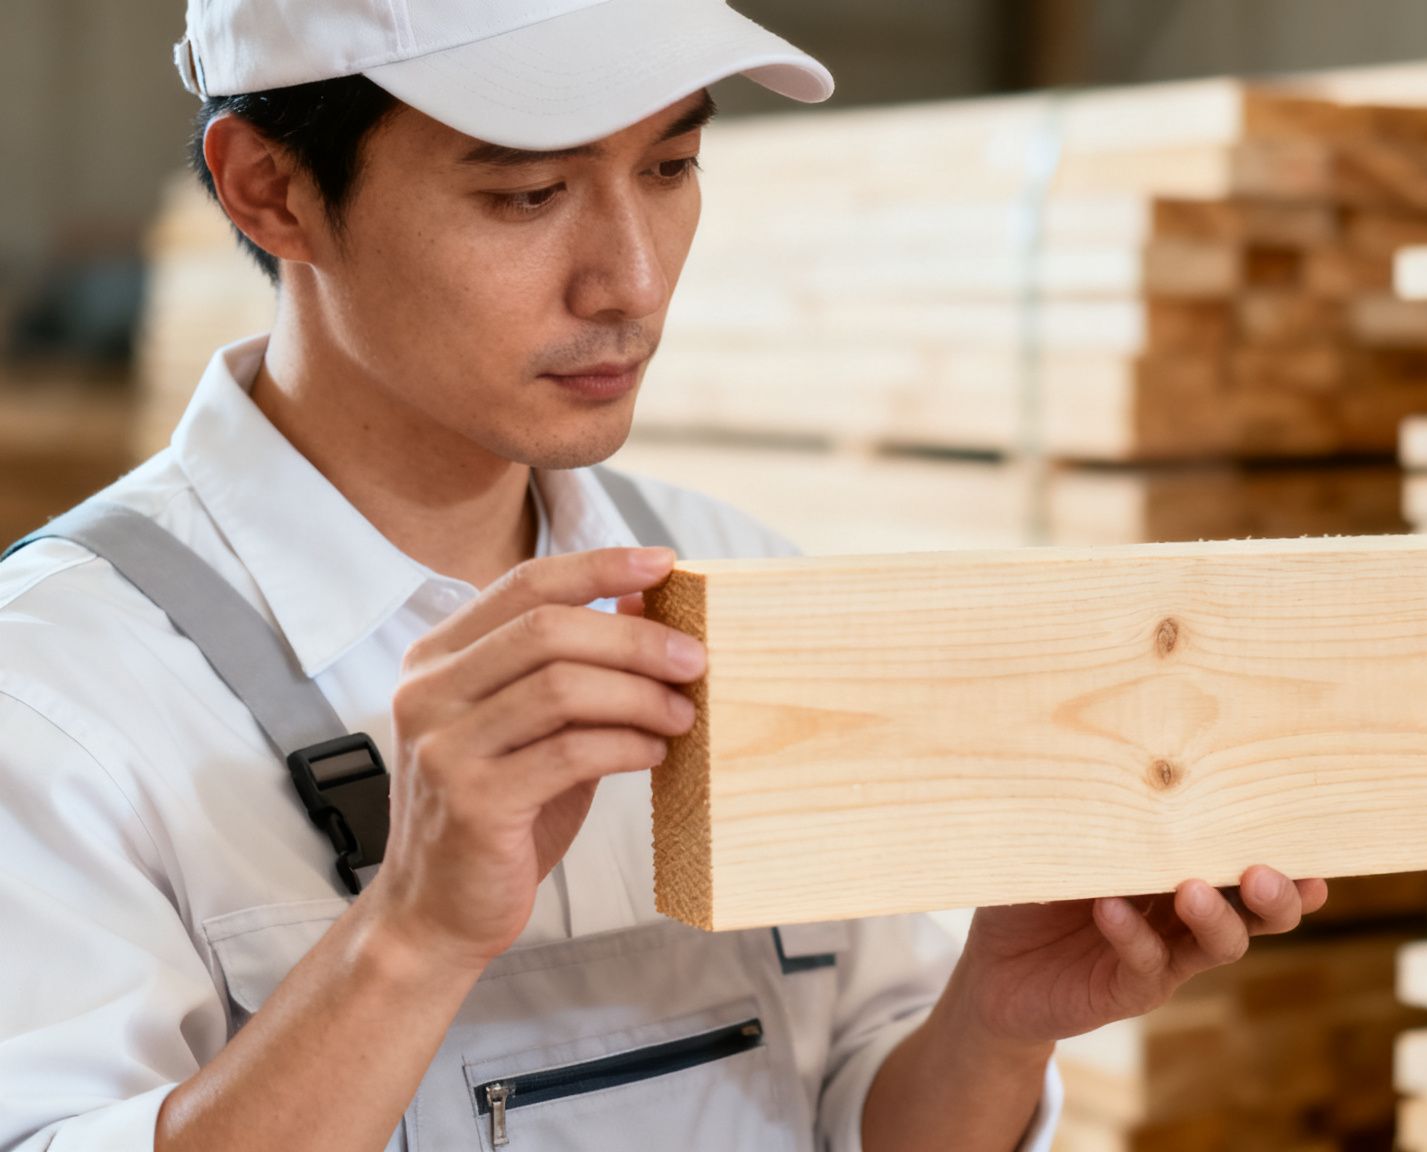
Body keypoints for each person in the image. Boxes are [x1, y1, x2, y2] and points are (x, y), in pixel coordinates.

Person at [0, 2, 1331, 1148]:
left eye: (674, 161)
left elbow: (858, 1120)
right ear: (271, 190)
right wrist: (407, 939)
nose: (630, 279)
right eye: (525, 193)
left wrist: (994, 1022)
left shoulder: (747, 588)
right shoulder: (62, 697)